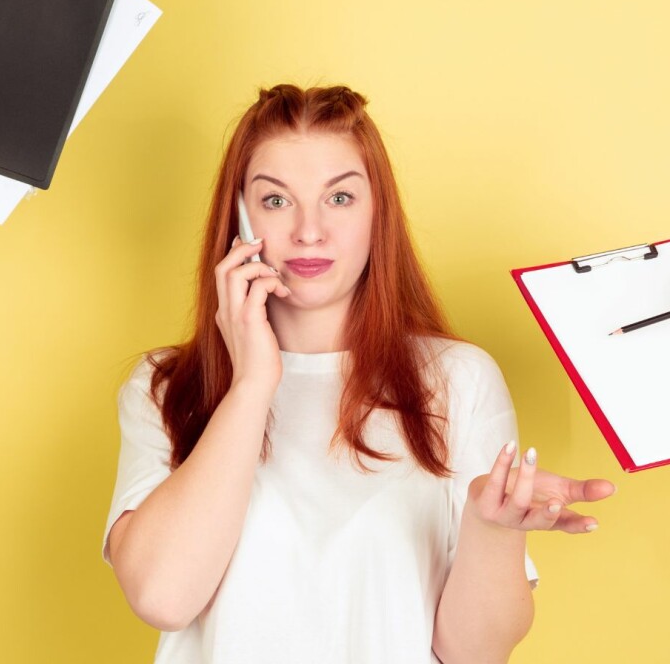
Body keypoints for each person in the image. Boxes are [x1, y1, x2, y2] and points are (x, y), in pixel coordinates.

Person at [105, 83, 615, 664]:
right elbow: (163, 597)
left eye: (340, 198)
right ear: (240, 219)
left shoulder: (458, 379)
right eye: (276, 201)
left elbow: (474, 654)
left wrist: (494, 531)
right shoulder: (167, 386)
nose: (309, 231)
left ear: (378, 212)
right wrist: (252, 384)